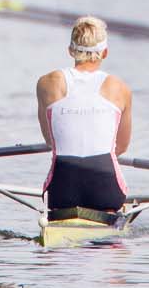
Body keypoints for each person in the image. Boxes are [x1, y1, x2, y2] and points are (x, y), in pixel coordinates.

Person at [35, 17, 135, 215]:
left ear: (70, 51)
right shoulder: (120, 88)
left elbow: (49, 140)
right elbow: (121, 148)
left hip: (62, 190)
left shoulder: (47, 83)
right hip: (105, 189)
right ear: (105, 52)